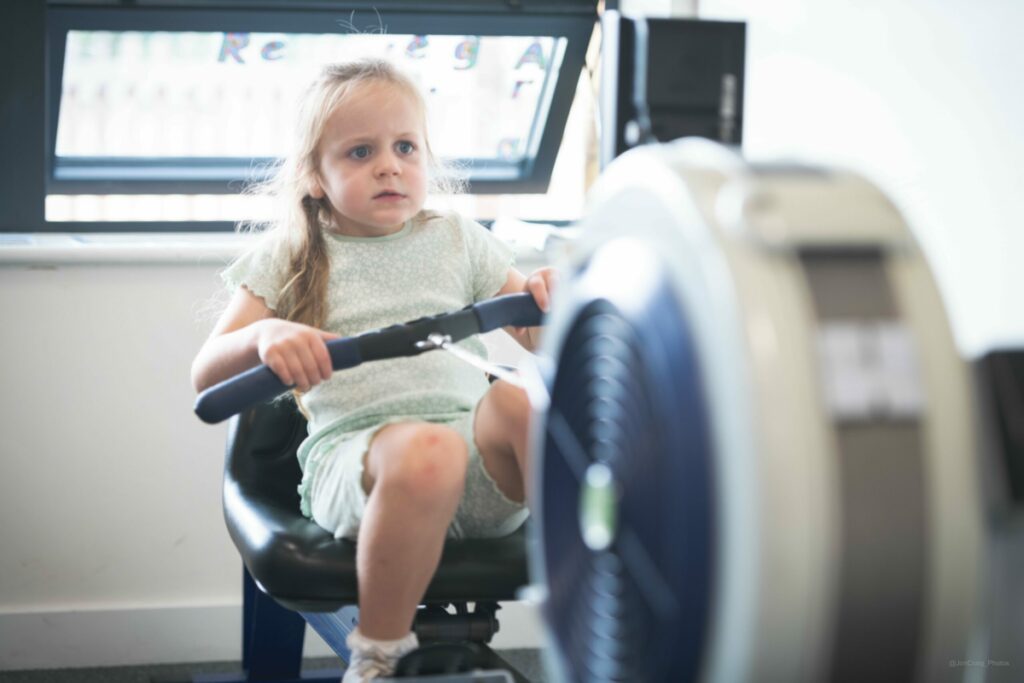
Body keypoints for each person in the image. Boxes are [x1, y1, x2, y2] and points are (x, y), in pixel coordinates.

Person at [190, 58, 555, 682]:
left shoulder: (459, 239)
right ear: (314, 177)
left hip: (480, 470)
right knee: (425, 451)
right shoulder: (293, 255)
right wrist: (265, 334)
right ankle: (377, 657)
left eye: (405, 146)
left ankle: (591, 615)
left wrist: (552, 300)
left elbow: (538, 334)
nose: (389, 165)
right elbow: (206, 376)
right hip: (361, 467)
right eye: (360, 151)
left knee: (526, 402)